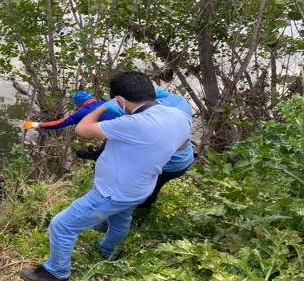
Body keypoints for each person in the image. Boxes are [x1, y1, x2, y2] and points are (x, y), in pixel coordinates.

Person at [19, 71, 191, 281]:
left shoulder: (132, 124)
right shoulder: (178, 115)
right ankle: (109, 251)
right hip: (141, 188)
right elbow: (181, 146)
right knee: (120, 219)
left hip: (111, 194)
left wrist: (101, 106)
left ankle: (55, 272)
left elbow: (82, 129)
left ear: (119, 100)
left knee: (61, 226)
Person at [22, 91, 119, 131]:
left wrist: (36, 125)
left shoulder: (84, 112)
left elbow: (60, 123)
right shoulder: (108, 102)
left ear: (78, 104)